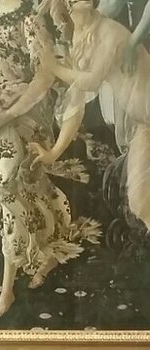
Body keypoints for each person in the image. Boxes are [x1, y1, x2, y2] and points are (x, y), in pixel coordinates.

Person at [0, 0, 101, 319]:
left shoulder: (30, 21)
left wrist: (9, 113)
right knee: (25, 191)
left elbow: (44, 77)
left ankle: (7, 288)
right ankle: (47, 248)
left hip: (16, 116)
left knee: (7, 186)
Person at [33, 0, 150, 232]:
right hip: (144, 124)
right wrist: (53, 152)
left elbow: (92, 81)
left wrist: (54, 68)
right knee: (140, 201)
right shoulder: (80, 39)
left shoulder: (110, 32)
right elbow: (76, 102)